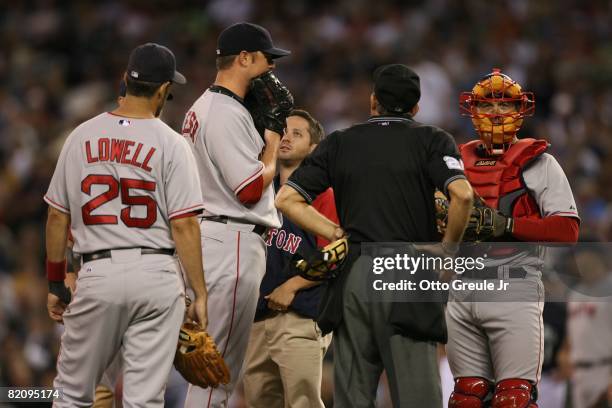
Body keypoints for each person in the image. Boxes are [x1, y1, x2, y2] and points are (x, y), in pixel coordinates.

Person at [275, 64, 474, 407]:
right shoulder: (431, 139)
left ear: (373, 102)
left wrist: (335, 232)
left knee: (352, 396)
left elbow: (287, 199)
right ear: (415, 107)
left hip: (354, 273)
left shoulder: (340, 142)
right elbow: (464, 195)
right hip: (407, 270)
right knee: (417, 398)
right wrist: (448, 250)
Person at [44, 43, 208, 407]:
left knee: (72, 393)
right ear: (165, 90)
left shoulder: (80, 136)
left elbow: (57, 216)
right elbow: (184, 225)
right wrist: (200, 292)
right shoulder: (172, 143)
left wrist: (56, 280)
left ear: (125, 80)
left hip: (97, 271)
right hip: (157, 273)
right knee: (144, 400)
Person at [445, 68, 580, 407]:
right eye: (486, 105)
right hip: (462, 285)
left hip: (514, 282)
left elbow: (568, 231)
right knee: (466, 397)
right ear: (472, 111)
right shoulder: (454, 162)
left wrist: (507, 226)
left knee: (513, 399)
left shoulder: (539, 162)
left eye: (505, 106)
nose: (495, 113)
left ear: (521, 111)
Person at [180, 22, 290, 407]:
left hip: (213, 237)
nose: (272, 69)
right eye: (267, 59)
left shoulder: (204, 107)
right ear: (244, 58)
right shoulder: (224, 112)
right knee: (217, 375)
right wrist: (273, 139)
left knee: (207, 371)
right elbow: (248, 190)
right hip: (233, 241)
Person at [243, 109, 335, 407]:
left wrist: (292, 286)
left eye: (298, 134)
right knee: (258, 401)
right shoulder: (261, 193)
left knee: (303, 402)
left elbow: (335, 255)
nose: (287, 138)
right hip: (258, 316)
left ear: (313, 148)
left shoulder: (324, 194)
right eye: (284, 131)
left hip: (300, 316)